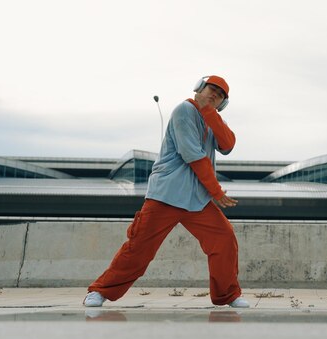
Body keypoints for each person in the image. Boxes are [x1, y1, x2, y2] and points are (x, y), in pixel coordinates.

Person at [83, 75, 249, 308]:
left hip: (196, 200)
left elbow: (228, 145)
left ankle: (227, 295)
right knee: (139, 249)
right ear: (198, 89)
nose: (214, 95)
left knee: (224, 239)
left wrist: (211, 113)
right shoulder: (183, 110)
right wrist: (216, 191)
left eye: (220, 95)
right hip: (166, 196)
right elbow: (193, 155)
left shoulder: (212, 119)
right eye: (211, 89)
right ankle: (99, 291)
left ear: (223, 103)